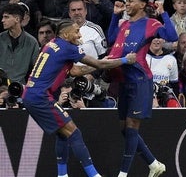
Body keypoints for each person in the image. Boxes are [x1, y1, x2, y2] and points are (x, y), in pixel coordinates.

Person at [22, 19, 136, 177]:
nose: (79, 34)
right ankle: (94, 175)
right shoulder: (68, 47)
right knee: (74, 133)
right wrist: (125, 60)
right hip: (40, 97)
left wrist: (103, 61)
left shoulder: (53, 44)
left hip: (31, 94)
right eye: (76, 31)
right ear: (66, 34)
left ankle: (62, 175)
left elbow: (75, 71)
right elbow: (98, 65)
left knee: (62, 134)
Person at [107, 0, 178, 176]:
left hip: (139, 81)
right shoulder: (124, 24)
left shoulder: (150, 23)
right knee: (124, 129)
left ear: (142, 4)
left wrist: (163, 13)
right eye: (126, 0)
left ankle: (123, 174)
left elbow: (172, 37)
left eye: (130, 1)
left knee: (131, 126)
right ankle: (154, 164)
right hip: (123, 80)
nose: (127, 4)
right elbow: (111, 39)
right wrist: (115, 17)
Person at [0, 3, 39, 85]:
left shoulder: (32, 42)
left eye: (6, 17)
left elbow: (36, 70)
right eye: (3, 17)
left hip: (19, 88)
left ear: (17, 19)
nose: (2, 20)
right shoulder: (0, 38)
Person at [146, 38, 179, 108]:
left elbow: (174, 84)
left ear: (164, 39)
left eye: (159, 37)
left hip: (164, 96)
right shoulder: (141, 57)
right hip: (144, 95)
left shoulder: (171, 59)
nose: (156, 40)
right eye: (153, 37)